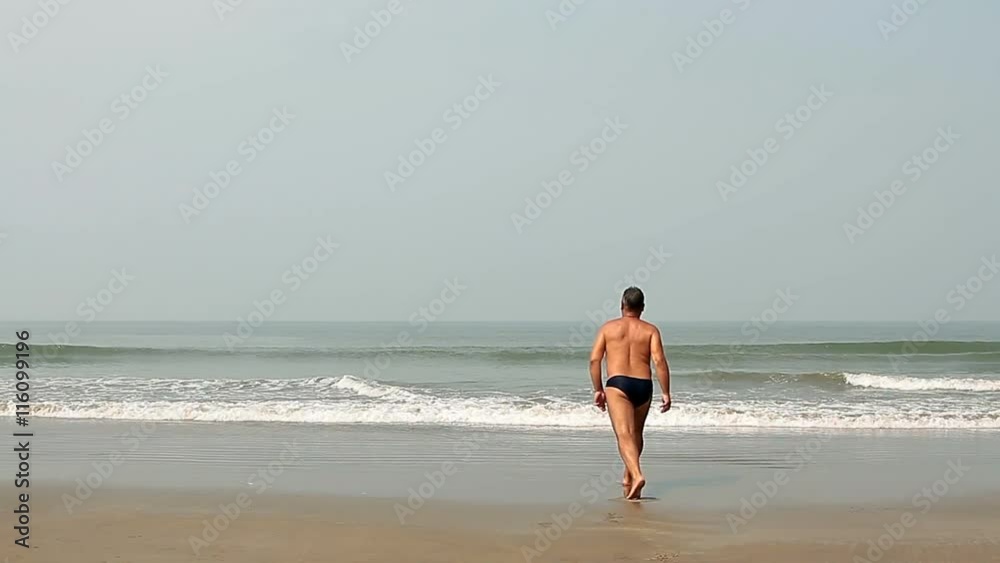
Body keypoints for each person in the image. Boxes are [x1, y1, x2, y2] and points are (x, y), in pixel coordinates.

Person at [588, 286, 671, 500]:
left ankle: (637, 474)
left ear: (622, 305)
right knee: (636, 434)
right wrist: (666, 392)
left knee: (624, 434)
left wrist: (598, 389)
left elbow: (594, 360)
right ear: (642, 308)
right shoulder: (651, 330)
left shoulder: (608, 328)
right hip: (644, 384)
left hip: (618, 383)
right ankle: (627, 477)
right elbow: (659, 361)